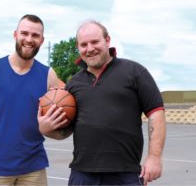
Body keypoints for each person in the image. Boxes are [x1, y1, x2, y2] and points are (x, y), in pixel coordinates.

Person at [38, 20, 166, 186]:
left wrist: (154, 157)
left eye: (95, 42)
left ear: (107, 40)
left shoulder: (134, 72)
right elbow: (66, 130)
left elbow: (156, 112)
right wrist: (45, 130)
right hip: (82, 175)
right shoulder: (73, 84)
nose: (90, 48)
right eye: (83, 44)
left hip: (124, 174)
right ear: (78, 47)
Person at [0, 14, 61, 186]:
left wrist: (50, 129)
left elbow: (57, 119)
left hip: (33, 168)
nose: (29, 39)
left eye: (35, 35)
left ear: (42, 40)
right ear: (15, 35)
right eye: (24, 33)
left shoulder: (49, 75)